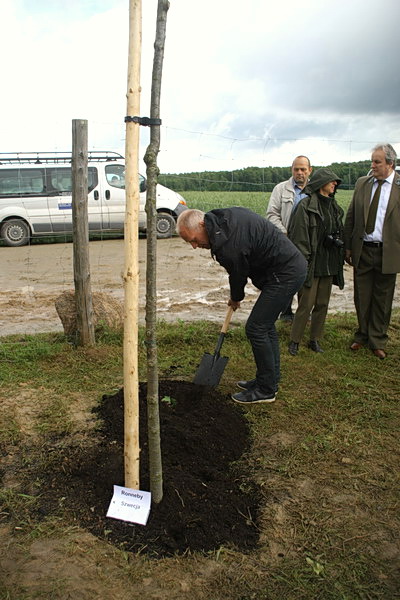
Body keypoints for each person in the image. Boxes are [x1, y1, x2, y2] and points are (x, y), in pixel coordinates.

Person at [176, 207, 307, 404]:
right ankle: (269, 379)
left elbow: (238, 273)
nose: (194, 246)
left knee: (256, 328)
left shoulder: (226, 244)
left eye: (193, 239)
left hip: (285, 273)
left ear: (202, 224)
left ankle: (266, 390)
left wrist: (236, 297)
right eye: (189, 243)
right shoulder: (219, 220)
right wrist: (236, 295)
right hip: (283, 268)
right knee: (265, 325)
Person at [344, 143, 400, 359]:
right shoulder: (363, 183)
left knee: (383, 297)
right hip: (363, 249)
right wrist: (348, 246)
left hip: (389, 252)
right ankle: (362, 335)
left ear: (390, 163)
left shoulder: (398, 185)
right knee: (362, 295)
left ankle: (378, 339)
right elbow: (351, 216)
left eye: (377, 162)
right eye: (372, 161)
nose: (372, 165)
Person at [287, 168, 345, 356]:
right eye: (332, 181)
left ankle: (315, 339)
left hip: (328, 263)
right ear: (322, 184)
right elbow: (299, 238)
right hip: (311, 264)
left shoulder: (334, 207)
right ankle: (294, 340)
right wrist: (303, 264)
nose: (335, 184)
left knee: (322, 304)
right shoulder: (305, 206)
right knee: (306, 304)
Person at [266, 155, 312, 321]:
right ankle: (286, 313)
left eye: (303, 169)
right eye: (296, 169)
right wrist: (284, 234)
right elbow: (271, 214)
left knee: (307, 278)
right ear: (291, 170)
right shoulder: (281, 189)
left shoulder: (315, 190)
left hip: (309, 243)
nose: (299, 173)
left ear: (309, 171)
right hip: (286, 241)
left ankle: (304, 314)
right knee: (286, 276)